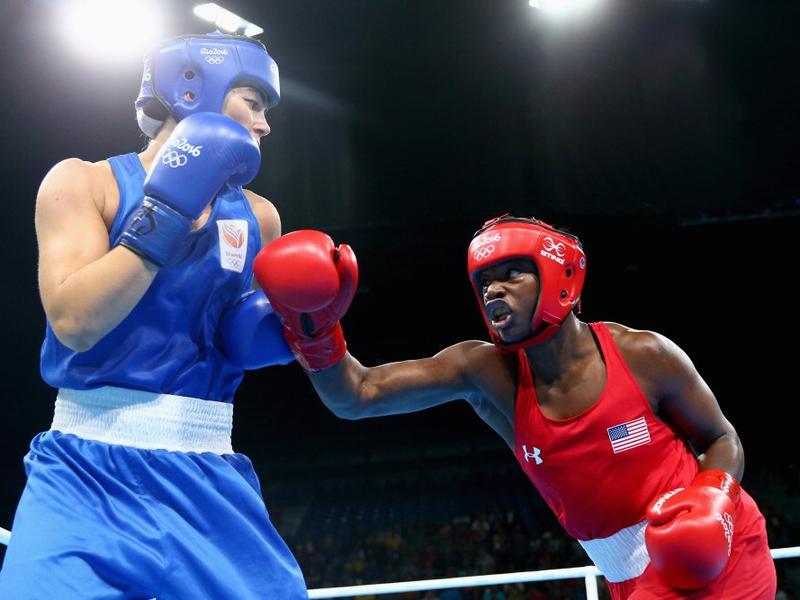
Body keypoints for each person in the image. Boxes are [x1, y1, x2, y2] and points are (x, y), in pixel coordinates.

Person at [253, 216, 777, 599]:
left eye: (511, 274)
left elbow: (721, 439)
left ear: (559, 279)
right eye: (483, 282)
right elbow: (357, 396)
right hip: (626, 578)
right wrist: (315, 326)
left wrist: (713, 499)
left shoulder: (643, 355)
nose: (493, 290)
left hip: (720, 552)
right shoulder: (488, 373)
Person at [0, 32, 308, 599]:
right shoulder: (83, 183)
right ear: (196, 90)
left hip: (206, 468)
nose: (265, 125)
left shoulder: (260, 217)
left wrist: (307, 323)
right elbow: (74, 322)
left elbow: (240, 342)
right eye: (255, 102)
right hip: (82, 470)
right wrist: (163, 218)